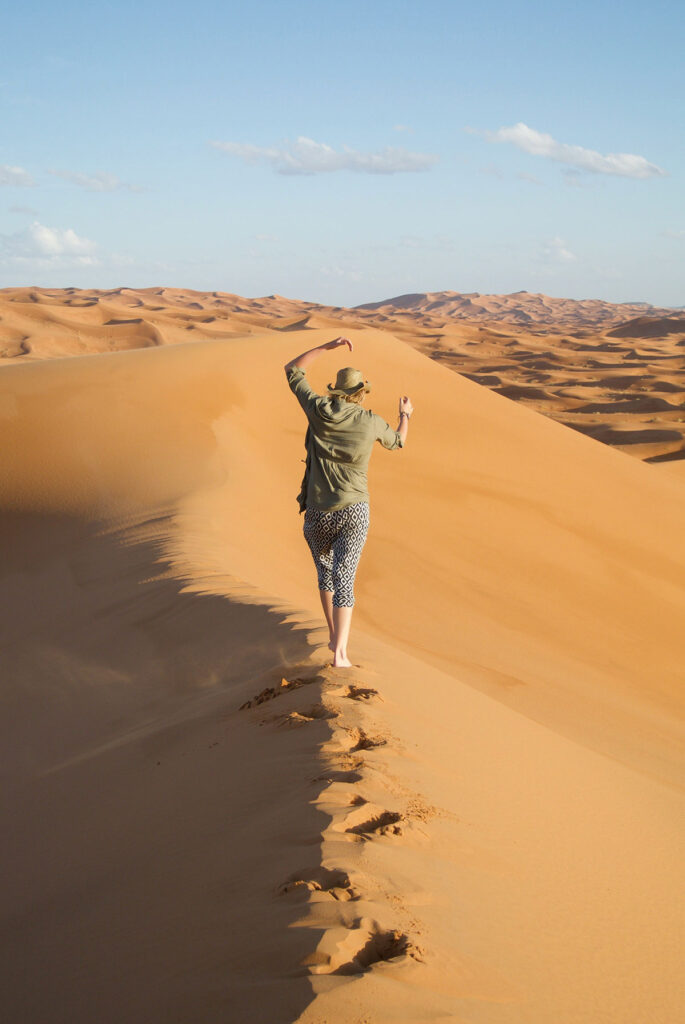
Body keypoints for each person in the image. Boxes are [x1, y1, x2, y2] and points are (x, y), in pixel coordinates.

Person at [284, 336, 413, 667]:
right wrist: (405, 415)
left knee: (325, 574)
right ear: (361, 393)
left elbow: (293, 370)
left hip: (317, 514)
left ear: (336, 391)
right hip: (354, 511)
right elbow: (398, 442)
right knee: (345, 578)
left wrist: (327, 347)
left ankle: (332, 636)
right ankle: (341, 653)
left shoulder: (319, 410)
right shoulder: (370, 422)